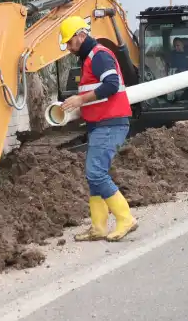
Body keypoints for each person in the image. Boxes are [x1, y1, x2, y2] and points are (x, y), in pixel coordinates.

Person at [58, 16, 139, 242]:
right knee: (94, 177)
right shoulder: (88, 59)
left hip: (110, 123)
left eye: (70, 42)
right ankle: (99, 227)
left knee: (95, 173)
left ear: (81, 36)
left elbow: (112, 85)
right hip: (100, 123)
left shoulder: (99, 55)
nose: (68, 47)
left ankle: (125, 218)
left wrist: (81, 100)